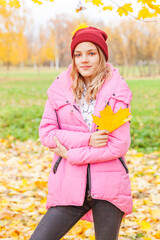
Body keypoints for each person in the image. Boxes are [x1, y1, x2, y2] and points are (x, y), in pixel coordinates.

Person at [30, 26, 133, 240]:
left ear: (102, 56)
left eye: (91, 53)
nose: (84, 60)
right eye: (78, 54)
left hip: (109, 187)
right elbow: (47, 134)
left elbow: (118, 145)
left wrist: (71, 154)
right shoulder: (59, 89)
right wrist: (88, 139)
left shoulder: (118, 91)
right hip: (68, 185)